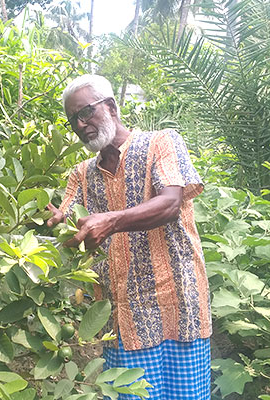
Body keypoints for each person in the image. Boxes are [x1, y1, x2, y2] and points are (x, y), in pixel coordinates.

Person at [46, 75, 211, 399]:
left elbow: (170, 203)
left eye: (86, 112)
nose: (80, 125)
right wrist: (54, 224)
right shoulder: (81, 173)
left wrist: (111, 220)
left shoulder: (161, 142)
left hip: (177, 303)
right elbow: (69, 226)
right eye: (72, 120)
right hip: (124, 314)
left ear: (110, 106)